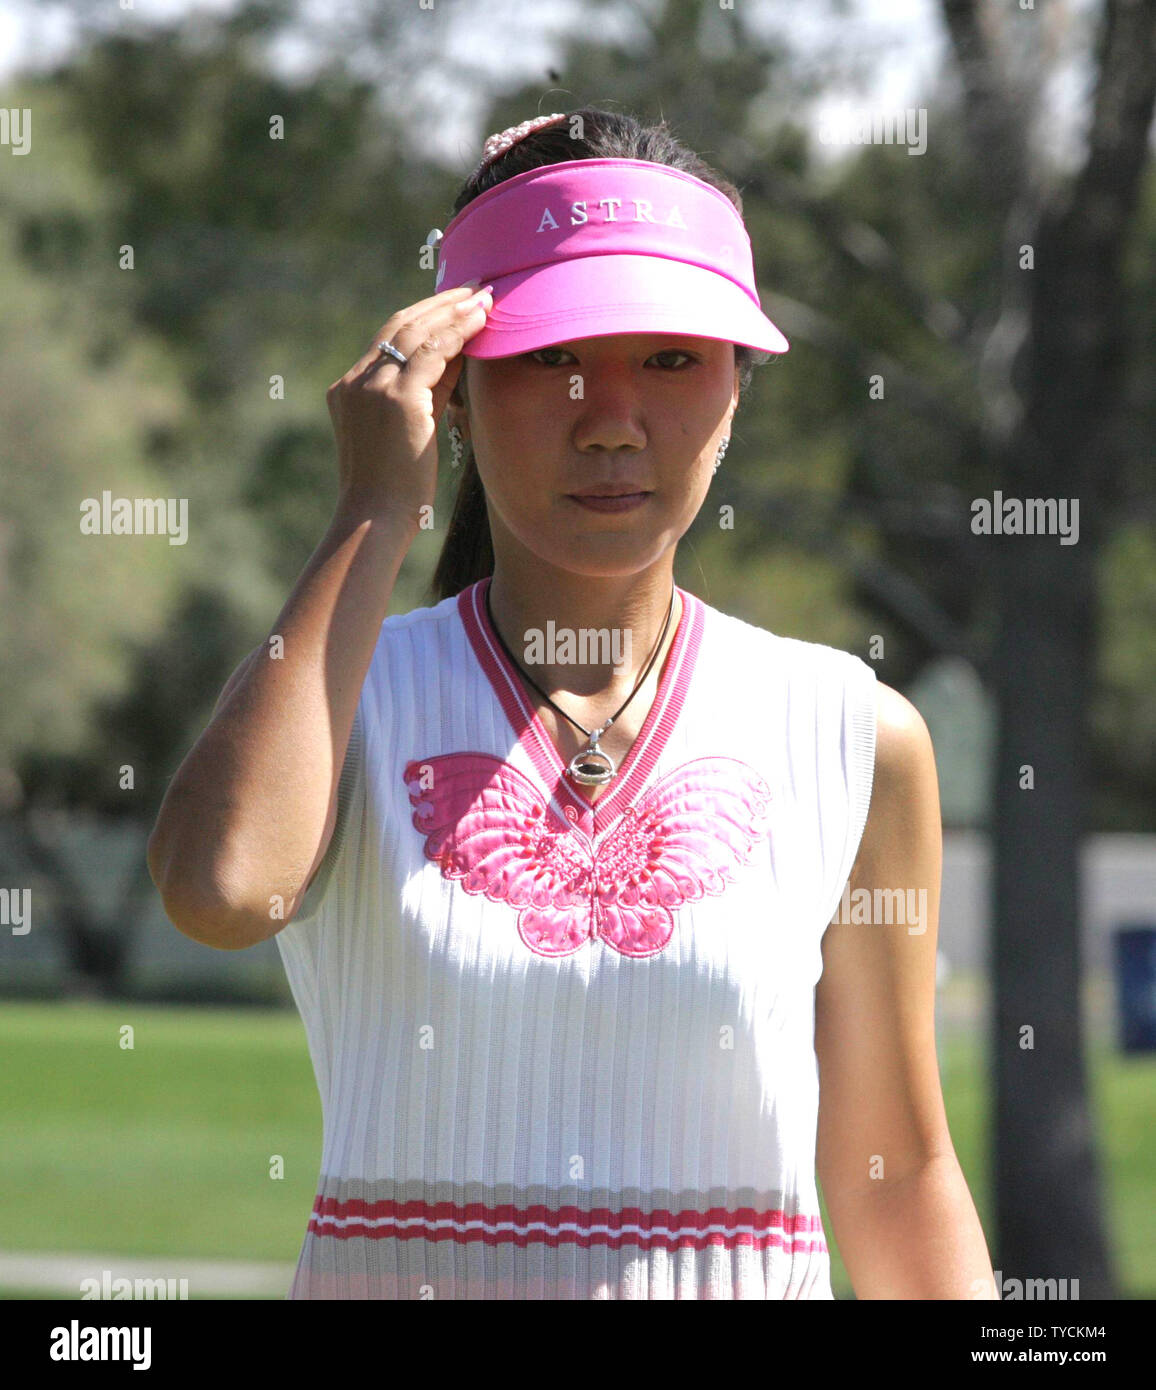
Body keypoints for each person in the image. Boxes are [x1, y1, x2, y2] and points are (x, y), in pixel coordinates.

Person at [147, 106, 996, 1300]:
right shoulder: (343, 701)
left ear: (736, 391)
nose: (610, 420)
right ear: (452, 389)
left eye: (668, 359)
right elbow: (224, 889)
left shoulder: (850, 732)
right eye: (550, 358)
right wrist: (372, 507)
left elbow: (895, 1170)